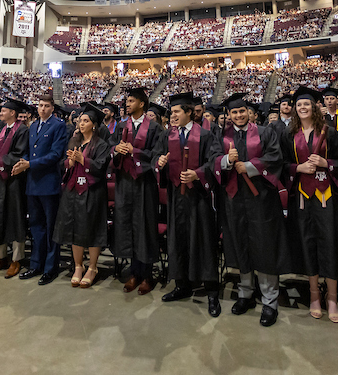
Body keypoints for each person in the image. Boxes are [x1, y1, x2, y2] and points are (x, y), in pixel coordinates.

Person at [283, 86, 338, 323]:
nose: (303, 108)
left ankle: (332, 298)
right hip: (302, 198)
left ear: (315, 107)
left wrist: (327, 163)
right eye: (299, 105)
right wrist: (298, 168)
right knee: (308, 244)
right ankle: (314, 295)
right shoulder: (289, 134)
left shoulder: (329, 133)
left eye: (306, 104)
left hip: (327, 197)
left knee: (330, 244)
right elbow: (279, 164)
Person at [216, 92, 289, 327]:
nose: (238, 115)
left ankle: (270, 301)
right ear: (229, 114)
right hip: (234, 200)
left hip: (261, 200)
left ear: (249, 112)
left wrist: (249, 166)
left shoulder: (265, 132)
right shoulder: (222, 135)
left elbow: (275, 157)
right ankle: (245, 293)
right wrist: (226, 161)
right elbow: (212, 160)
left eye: (241, 111)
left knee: (264, 246)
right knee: (241, 244)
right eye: (234, 112)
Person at [155, 92, 224, 317]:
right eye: (171, 112)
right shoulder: (167, 135)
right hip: (176, 197)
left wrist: (198, 174)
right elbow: (158, 158)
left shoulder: (205, 134)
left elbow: (214, 160)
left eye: (176, 112)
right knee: (179, 239)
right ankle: (182, 285)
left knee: (203, 240)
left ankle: (212, 290)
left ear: (188, 113)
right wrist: (160, 162)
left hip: (199, 197)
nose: (172, 116)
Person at [111, 87, 163, 294]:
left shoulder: (155, 129)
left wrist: (136, 151)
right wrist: (117, 149)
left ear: (142, 104)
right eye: (127, 101)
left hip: (145, 184)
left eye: (131, 101)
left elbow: (157, 154)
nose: (127, 104)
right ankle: (134, 272)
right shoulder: (121, 126)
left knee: (145, 226)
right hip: (124, 183)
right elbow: (110, 146)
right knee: (127, 225)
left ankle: (147, 275)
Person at [17, 95, 70, 284]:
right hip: (33, 183)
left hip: (48, 183)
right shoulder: (33, 126)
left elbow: (56, 154)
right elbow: (29, 151)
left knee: (50, 228)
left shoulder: (58, 125)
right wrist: (22, 162)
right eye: (40, 105)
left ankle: (50, 268)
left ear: (52, 108)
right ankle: (35, 264)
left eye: (46, 106)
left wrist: (30, 164)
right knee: (36, 227)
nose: (42, 109)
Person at [56, 104, 111, 288]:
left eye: (85, 121)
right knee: (73, 228)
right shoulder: (74, 142)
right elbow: (64, 165)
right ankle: (78, 266)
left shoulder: (101, 145)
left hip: (92, 192)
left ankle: (92, 267)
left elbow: (101, 168)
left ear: (94, 125)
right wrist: (70, 163)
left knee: (92, 228)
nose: (81, 123)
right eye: (80, 120)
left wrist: (83, 160)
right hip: (72, 192)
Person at [0, 99, 31, 278]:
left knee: (14, 218)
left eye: (4, 110)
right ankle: (0, 257)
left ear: (13, 113)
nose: (0, 113)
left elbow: (19, 154)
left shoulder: (22, 130)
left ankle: (16, 259)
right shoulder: (1, 129)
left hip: (13, 180)